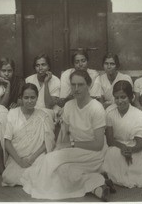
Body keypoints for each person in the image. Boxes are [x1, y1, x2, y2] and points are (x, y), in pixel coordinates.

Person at [21, 70, 110, 201]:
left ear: (89, 85)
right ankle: (97, 184)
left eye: (80, 84)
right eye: (73, 85)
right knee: (61, 168)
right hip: (75, 151)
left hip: (94, 153)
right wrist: (58, 148)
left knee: (50, 162)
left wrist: (70, 145)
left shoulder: (96, 108)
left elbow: (98, 144)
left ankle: (96, 181)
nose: (76, 88)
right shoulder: (68, 106)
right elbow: (65, 133)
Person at [102, 80, 142, 188]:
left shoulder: (138, 114)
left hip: (134, 147)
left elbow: (139, 143)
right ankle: (113, 176)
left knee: (135, 163)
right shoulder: (109, 112)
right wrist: (123, 148)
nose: (119, 101)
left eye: (123, 97)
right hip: (116, 146)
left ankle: (116, 176)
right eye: (117, 97)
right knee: (113, 154)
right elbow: (110, 141)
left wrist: (130, 150)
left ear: (131, 97)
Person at [2, 83, 55, 186]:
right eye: (26, 98)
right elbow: (7, 142)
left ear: (37, 98)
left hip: (37, 157)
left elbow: (47, 142)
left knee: (43, 173)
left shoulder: (43, 116)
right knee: (9, 177)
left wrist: (32, 158)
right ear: (21, 98)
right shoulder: (12, 114)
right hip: (17, 157)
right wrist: (20, 161)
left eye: (33, 97)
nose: (30, 101)